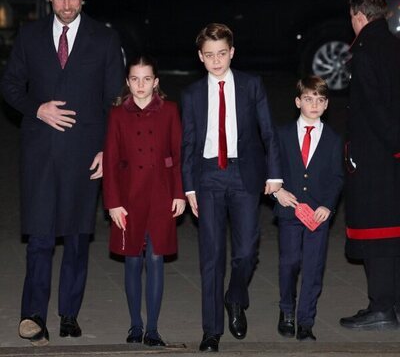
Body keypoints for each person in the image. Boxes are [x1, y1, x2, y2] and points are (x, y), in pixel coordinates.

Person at [0, 0, 125, 346]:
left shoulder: (103, 39)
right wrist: (37, 108)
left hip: (84, 156)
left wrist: (108, 150)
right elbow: (9, 85)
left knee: (76, 237)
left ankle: (69, 313)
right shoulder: (30, 36)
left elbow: (115, 103)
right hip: (40, 154)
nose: (67, 5)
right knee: (40, 237)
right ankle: (32, 314)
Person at [181, 22, 282, 352]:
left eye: (222, 54)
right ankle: (212, 330)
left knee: (246, 251)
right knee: (210, 256)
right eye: (209, 55)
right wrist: (190, 187)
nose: (216, 61)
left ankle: (235, 296)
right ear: (200, 57)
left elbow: (268, 133)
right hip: (208, 175)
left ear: (232, 52)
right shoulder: (193, 94)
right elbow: (189, 143)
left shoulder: (251, 85)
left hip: (244, 174)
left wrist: (275, 175)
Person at [102, 55, 186, 347]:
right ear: (127, 82)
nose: (141, 85)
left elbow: (177, 157)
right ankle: (134, 325)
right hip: (128, 197)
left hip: (161, 195)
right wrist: (112, 202)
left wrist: (179, 193)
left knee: (156, 258)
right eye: (135, 79)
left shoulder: (170, 111)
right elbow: (111, 161)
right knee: (133, 260)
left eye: (147, 79)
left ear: (156, 82)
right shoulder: (117, 115)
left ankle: (152, 328)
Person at [339, 0, 400, 330]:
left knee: (377, 232)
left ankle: (381, 306)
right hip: (393, 155)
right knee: (395, 230)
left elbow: (373, 107)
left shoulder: (365, 51)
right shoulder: (394, 45)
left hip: (376, 155)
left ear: (359, 16)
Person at [273, 76, 343, 341]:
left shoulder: (334, 139)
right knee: (289, 263)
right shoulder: (282, 134)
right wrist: (277, 191)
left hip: (317, 214)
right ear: (297, 101)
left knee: (313, 267)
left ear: (326, 105)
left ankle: (306, 321)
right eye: (309, 99)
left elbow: (337, 177)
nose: (314, 104)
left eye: (320, 100)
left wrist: (328, 204)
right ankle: (287, 311)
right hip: (290, 210)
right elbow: (272, 168)